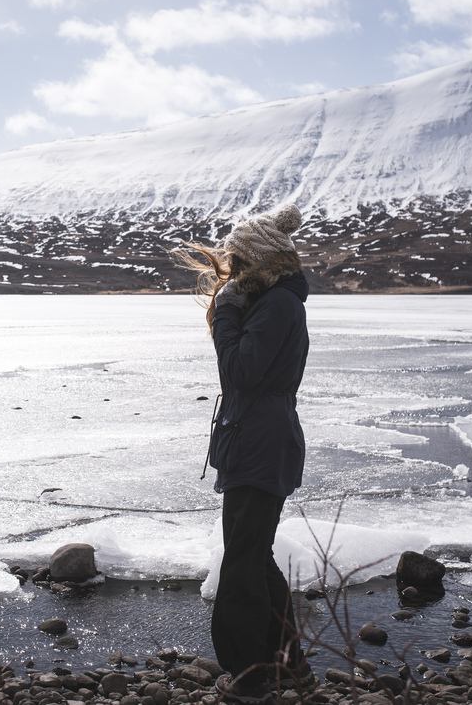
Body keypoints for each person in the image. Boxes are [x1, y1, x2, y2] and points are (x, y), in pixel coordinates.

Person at [176, 203, 311, 703]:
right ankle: (289, 666)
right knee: (254, 556)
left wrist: (226, 318)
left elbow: (241, 373)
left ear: (255, 260)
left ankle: (253, 676)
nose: (227, 267)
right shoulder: (275, 302)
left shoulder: (277, 305)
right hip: (255, 439)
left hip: (261, 442)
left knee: (242, 562)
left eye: (235, 259)